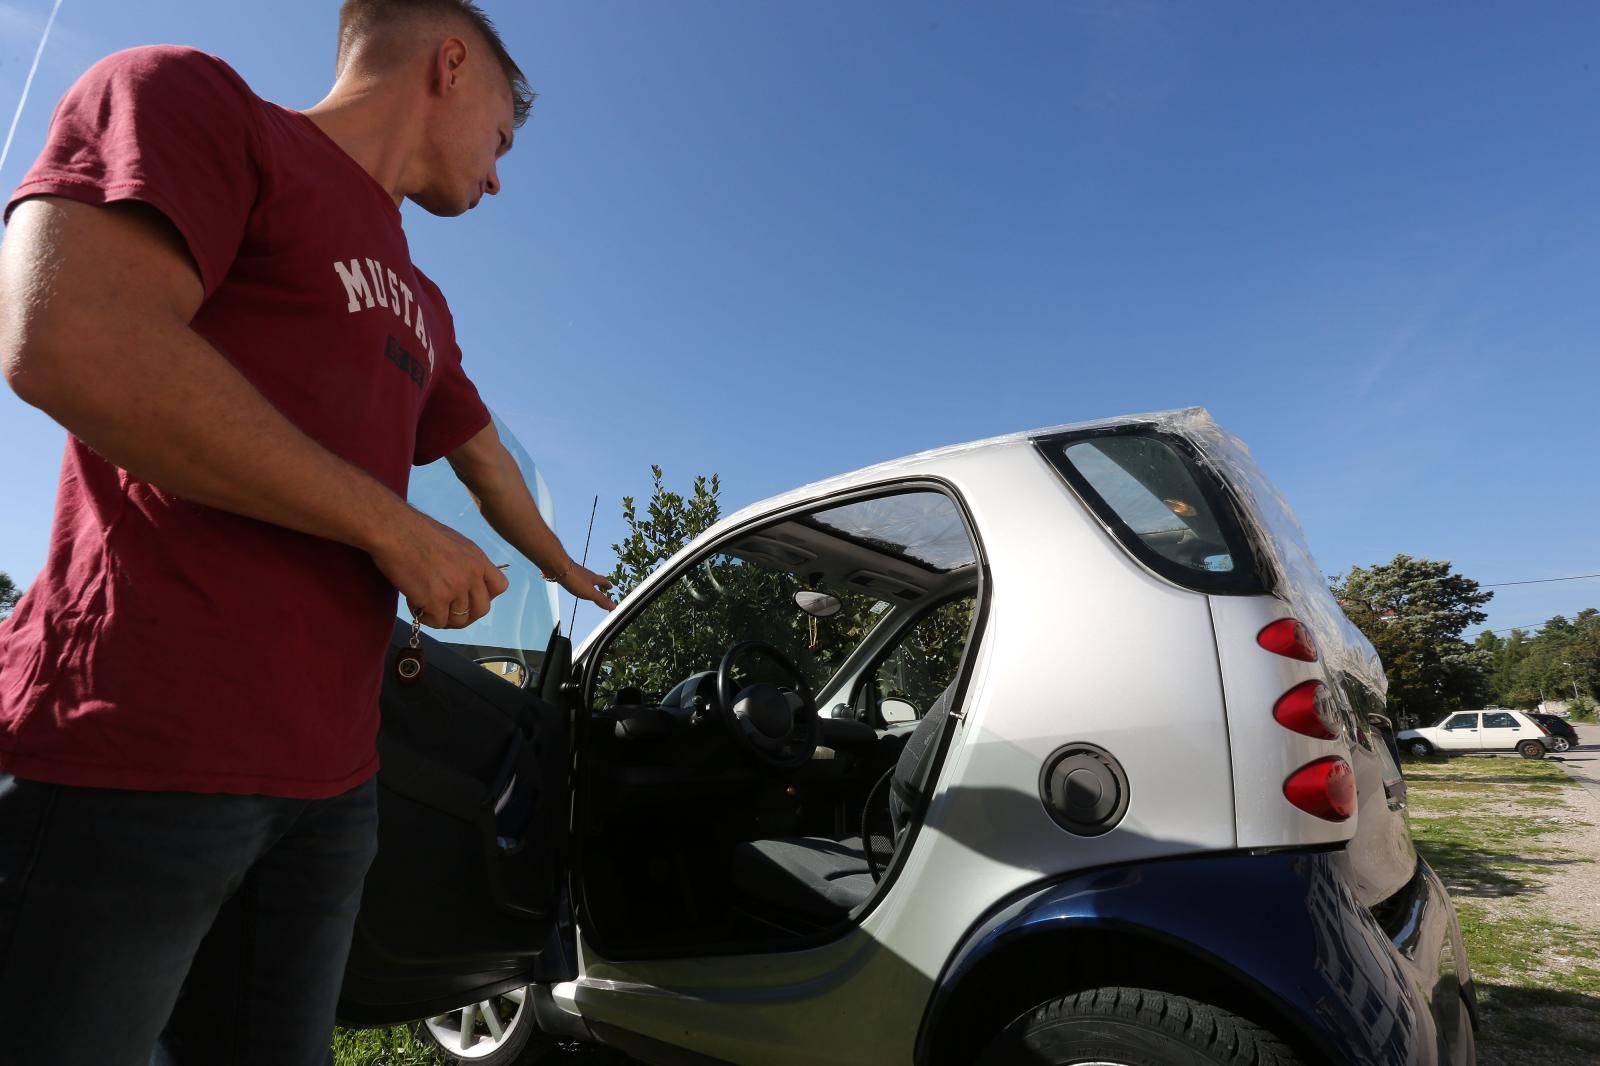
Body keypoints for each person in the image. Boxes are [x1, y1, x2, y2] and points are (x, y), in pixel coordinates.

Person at [0, 2, 611, 1063]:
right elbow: (70, 337)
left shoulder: (418, 298)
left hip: (331, 787)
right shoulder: (196, 103)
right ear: (449, 64)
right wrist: (393, 528)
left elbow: (479, 454)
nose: (501, 175)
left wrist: (561, 564)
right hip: (135, 750)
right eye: (503, 138)